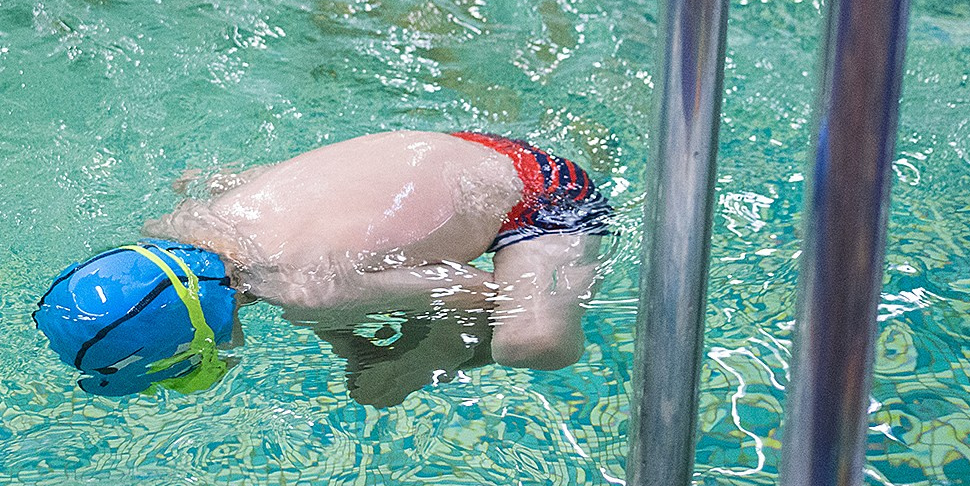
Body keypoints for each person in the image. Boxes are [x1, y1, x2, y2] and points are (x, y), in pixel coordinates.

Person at [34, 130, 612, 406]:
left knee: (533, 343)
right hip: (456, 146)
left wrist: (423, 358)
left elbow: (483, 295)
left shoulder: (309, 291)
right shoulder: (180, 228)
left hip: (542, 192)